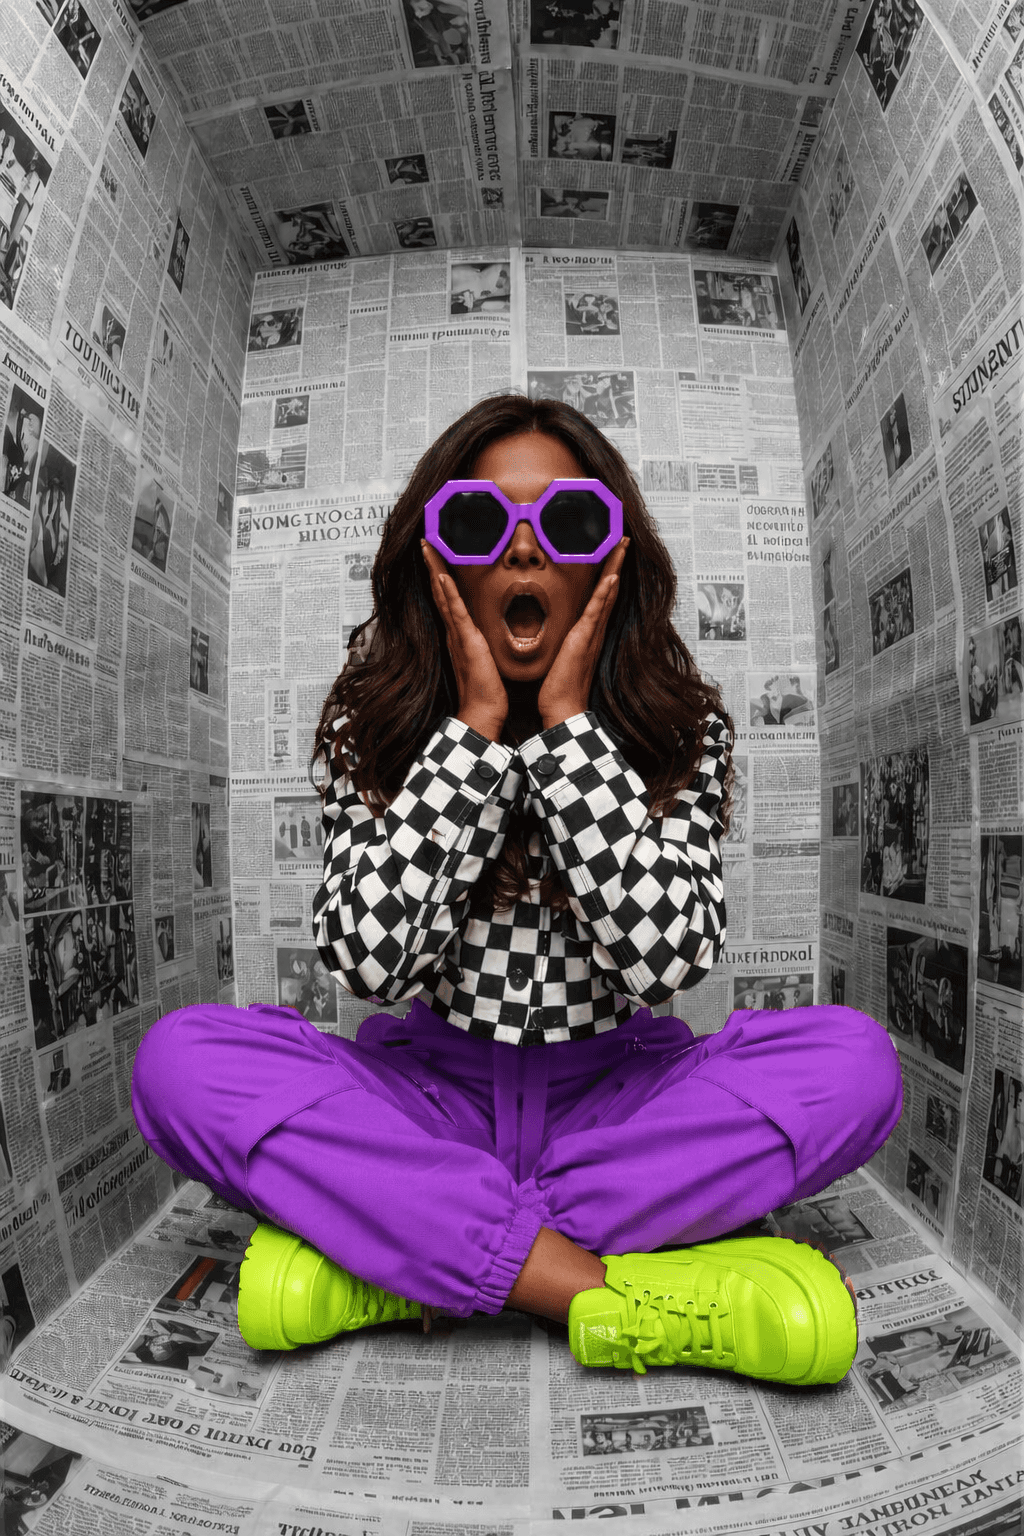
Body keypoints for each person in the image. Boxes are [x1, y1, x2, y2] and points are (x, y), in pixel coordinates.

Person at [133, 394, 902, 1386]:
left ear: (608, 558)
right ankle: (593, 1292)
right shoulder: (368, 726)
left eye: (569, 521)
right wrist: (477, 730)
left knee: (853, 1064)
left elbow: (665, 960)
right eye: (480, 522)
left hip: (620, 1103)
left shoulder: (682, 728)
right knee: (181, 1062)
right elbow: (371, 963)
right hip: (429, 1098)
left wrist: (573, 729)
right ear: (439, 555)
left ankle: (403, 1257)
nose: (525, 552)